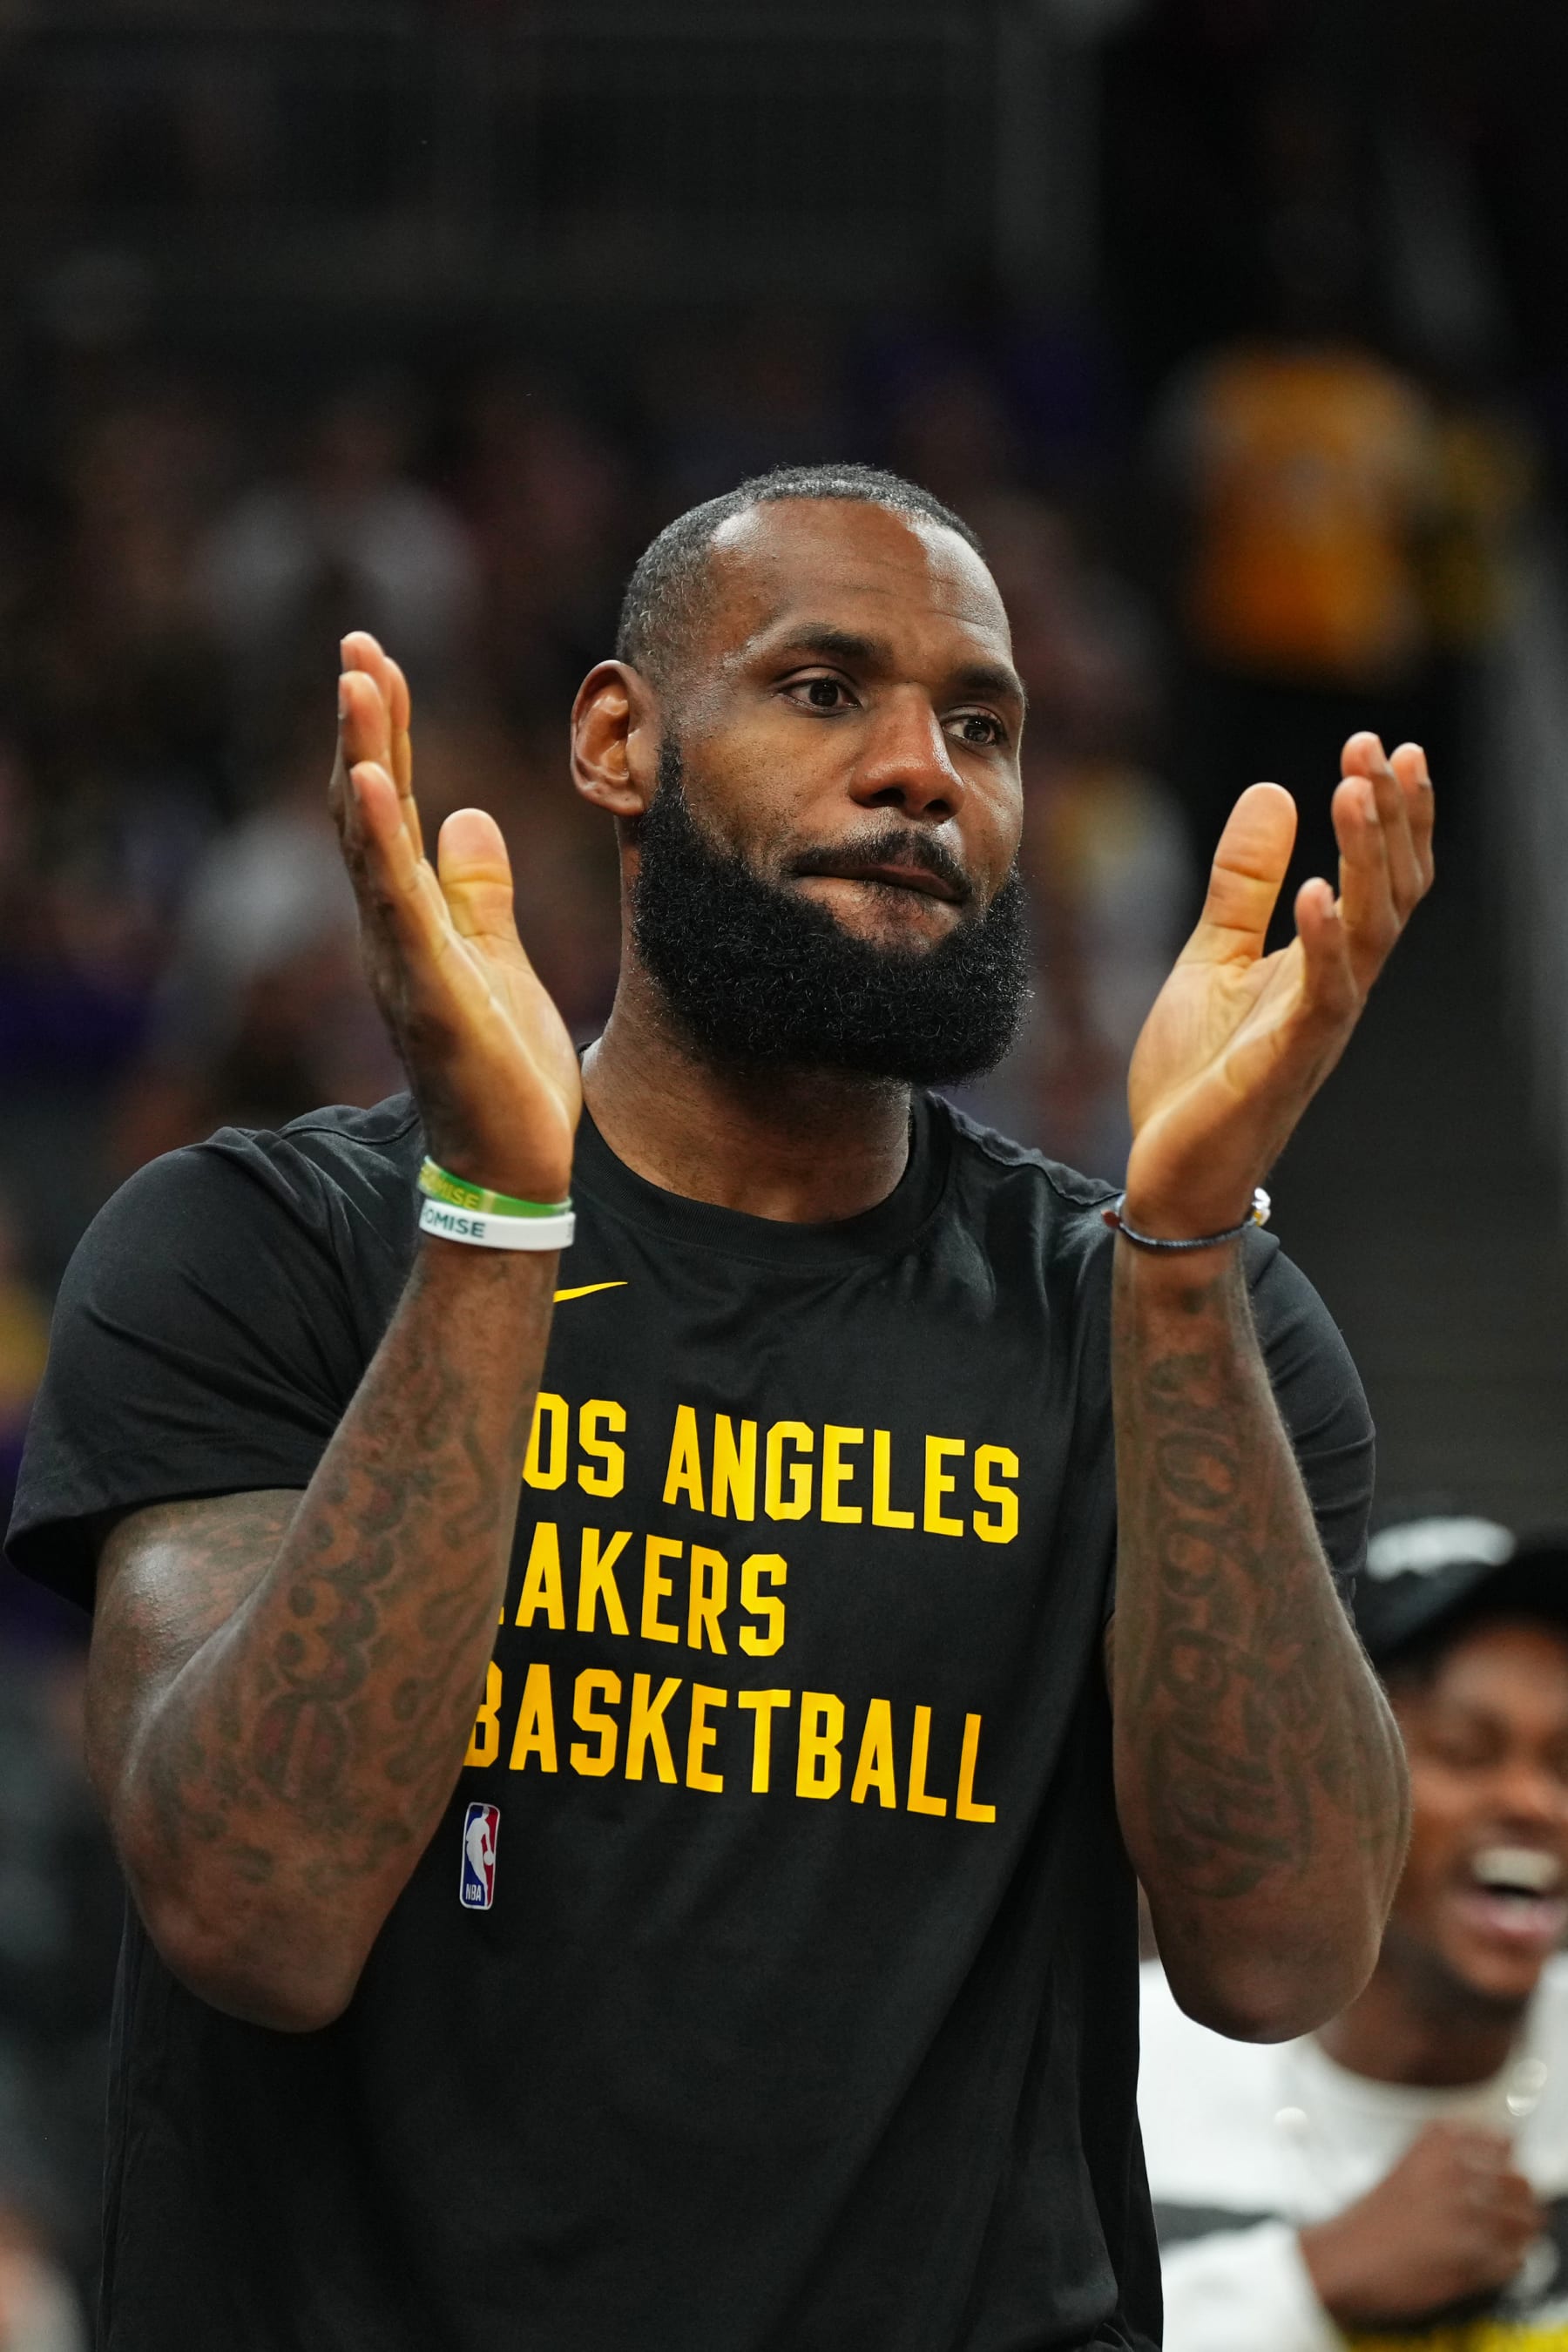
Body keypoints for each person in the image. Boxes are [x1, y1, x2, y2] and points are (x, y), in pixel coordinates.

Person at [5, 463, 1430, 2349]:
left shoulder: (1181, 1322)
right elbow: (257, 1912)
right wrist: (498, 1225)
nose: (922, 771)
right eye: (826, 690)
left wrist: (1178, 1262)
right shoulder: (262, 1249)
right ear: (618, 739)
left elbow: (1279, 1958)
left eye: (981, 726)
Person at [1142, 1512, 1568, 2349]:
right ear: (1321, 1788)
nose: (1531, 1803)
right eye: (1465, 1751)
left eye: (1567, 1765)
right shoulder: (1119, 2072)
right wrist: (1308, 2282)